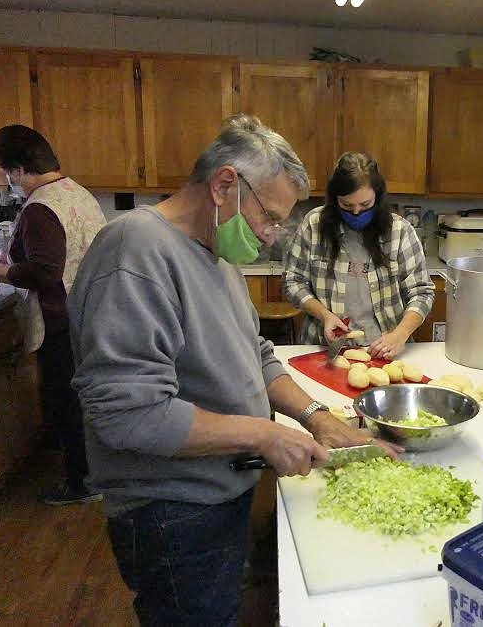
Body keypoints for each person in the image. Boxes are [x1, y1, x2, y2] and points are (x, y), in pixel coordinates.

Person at [67, 116, 399, 625]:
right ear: (225, 185)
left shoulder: (217, 256)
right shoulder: (133, 250)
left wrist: (315, 417)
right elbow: (129, 414)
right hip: (170, 512)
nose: (271, 236)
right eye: (270, 217)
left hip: (215, 495)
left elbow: (257, 354)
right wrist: (264, 435)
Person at [0, 125, 107, 505]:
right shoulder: (76, 193)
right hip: (92, 313)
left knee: (67, 401)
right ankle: (97, 475)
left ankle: (81, 483)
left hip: (61, 320)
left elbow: (44, 272)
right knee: (84, 400)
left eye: (8, 172)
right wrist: (10, 258)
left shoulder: (40, 207)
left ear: (20, 169)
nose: (10, 181)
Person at [282, 152, 435, 358]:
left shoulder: (400, 231)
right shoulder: (314, 225)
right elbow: (293, 282)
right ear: (335, 200)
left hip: (386, 350)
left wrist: (400, 334)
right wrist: (325, 315)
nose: (355, 213)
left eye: (365, 206)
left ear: (378, 198)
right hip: (323, 350)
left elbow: (422, 292)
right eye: (347, 205)